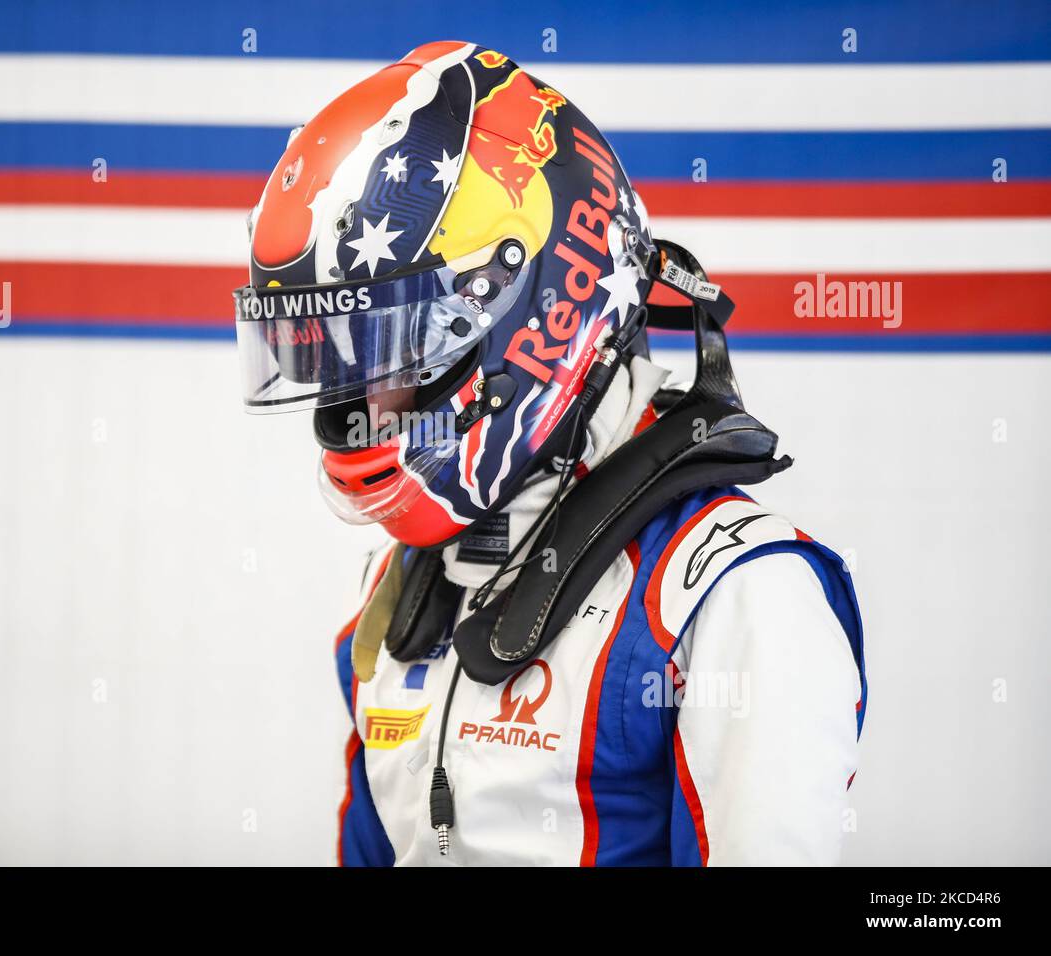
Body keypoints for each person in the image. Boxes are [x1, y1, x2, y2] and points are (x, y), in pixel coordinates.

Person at [233, 42, 867, 866]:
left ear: (539, 312)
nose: (364, 408)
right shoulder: (396, 589)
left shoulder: (736, 591)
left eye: (393, 351)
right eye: (339, 358)